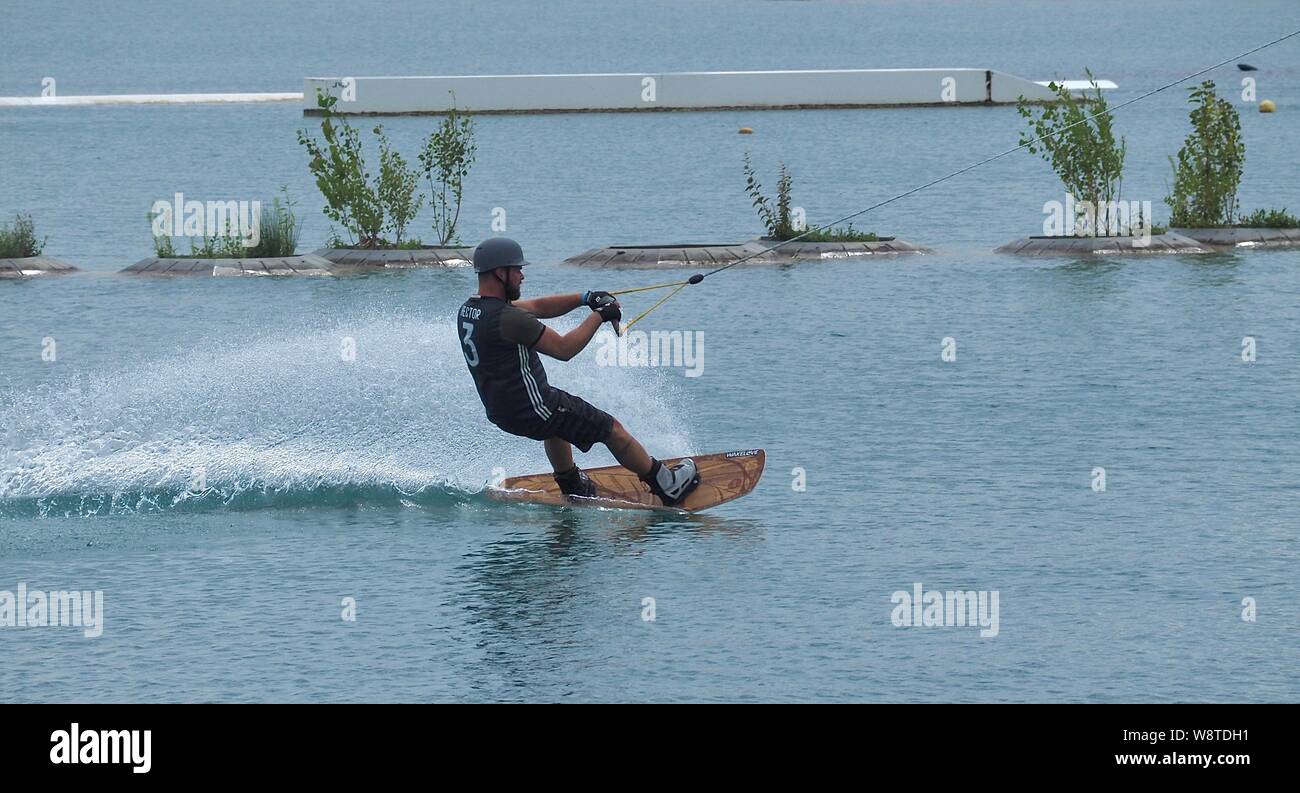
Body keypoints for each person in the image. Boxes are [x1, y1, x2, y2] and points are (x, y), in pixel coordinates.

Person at [457, 237, 700, 505]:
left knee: (557, 425)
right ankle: (667, 484)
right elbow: (564, 349)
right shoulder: (509, 318)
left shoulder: (471, 310)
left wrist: (586, 298)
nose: (522, 275)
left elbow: (537, 307)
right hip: (535, 408)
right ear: (499, 273)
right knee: (612, 429)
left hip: (502, 412)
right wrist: (600, 315)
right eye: (517, 270)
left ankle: (571, 483)